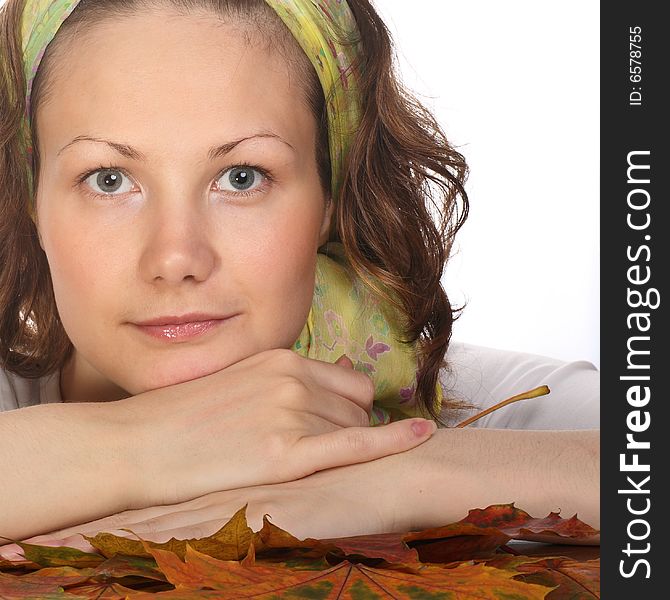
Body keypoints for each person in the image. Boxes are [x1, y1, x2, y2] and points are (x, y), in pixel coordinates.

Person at [0, 0, 599, 555]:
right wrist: (139, 447)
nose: (176, 258)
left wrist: (393, 479)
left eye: (242, 177)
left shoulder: (467, 408)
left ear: (330, 197)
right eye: (108, 179)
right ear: (33, 200)